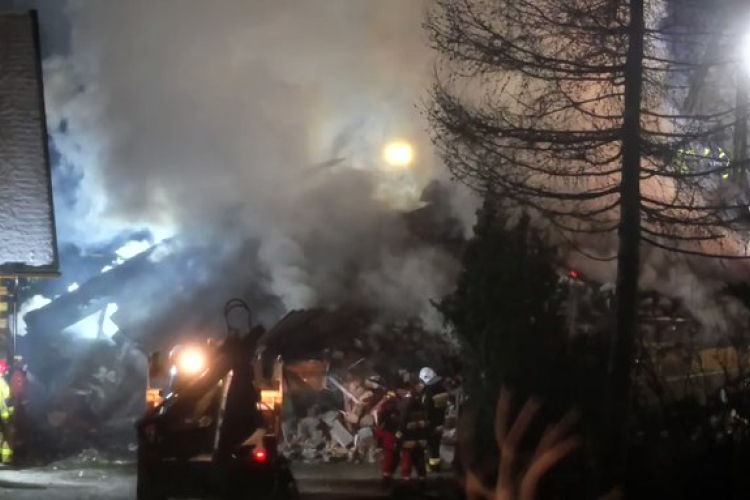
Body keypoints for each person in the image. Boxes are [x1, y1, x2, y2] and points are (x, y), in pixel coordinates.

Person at [395, 378, 429, 481]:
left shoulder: (406, 402)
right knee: (420, 459)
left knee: (407, 459)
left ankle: (406, 480)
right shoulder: (421, 401)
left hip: (409, 436)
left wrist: (398, 434)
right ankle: (422, 479)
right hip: (420, 435)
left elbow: (403, 420)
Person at [419, 366, 450, 472]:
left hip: (430, 422)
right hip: (440, 420)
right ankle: (435, 466)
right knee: (435, 445)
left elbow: (426, 408)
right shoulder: (442, 389)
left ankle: (431, 466)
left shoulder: (429, 392)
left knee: (430, 445)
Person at [375, 386, 402, 481]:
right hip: (389, 434)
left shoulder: (392, 408)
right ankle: (387, 474)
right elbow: (381, 423)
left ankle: (388, 473)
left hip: (392, 434)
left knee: (393, 455)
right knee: (390, 455)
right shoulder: (386, 408)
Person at [0, 359, 13, 465]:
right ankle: (5, 459)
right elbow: (8, 396)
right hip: (2, 414)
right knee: (5, 435)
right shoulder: (2, 382)